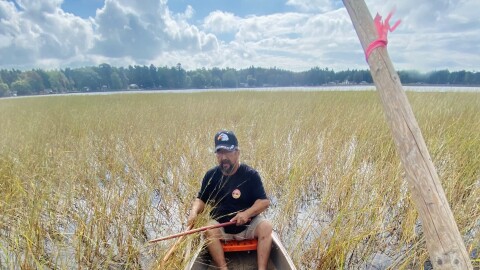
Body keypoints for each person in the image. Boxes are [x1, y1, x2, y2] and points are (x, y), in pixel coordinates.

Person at [187, 130, 273, 270]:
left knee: (266, 227)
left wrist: (247, 213)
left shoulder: (251, 175)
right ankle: (223, 268)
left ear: (237, 153)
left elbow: (264, 202)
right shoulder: (211, 176)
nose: (223, 157)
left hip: (248, 227)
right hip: (222, 229)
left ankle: (262, 268)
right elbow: (201, 200)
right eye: (220, 153)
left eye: (228, 152)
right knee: (208, 230)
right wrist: (193, 212)